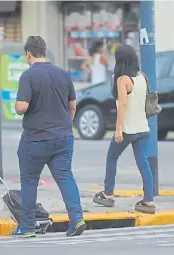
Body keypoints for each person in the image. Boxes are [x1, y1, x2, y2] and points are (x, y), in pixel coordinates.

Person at [14, 36, 86, 238]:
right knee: (65, 177)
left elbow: (22, 107)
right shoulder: (63, 74)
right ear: (44, 51)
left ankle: (28, 226)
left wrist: (17, 105)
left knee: (29, 181)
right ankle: (77, 218)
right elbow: (72, 106)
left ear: (28, 53)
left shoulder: (28, 76)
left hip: (35, 139)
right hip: (63, 137)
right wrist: (64, 125)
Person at [92, 44, 156, 214]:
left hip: (128, 129)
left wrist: (118, 129)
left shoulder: (123, 80)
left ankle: (108, 194)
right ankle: (149, 201)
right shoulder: (142, 77)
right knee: (143, 164)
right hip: (143, 128)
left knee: (112, 157)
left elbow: (122, 105)